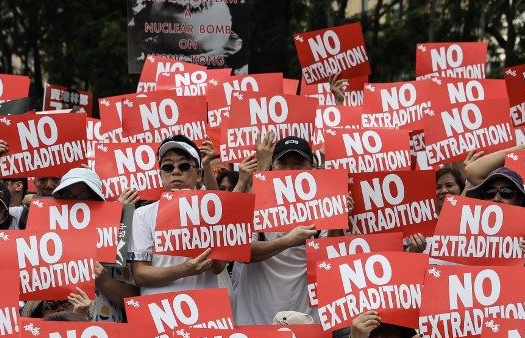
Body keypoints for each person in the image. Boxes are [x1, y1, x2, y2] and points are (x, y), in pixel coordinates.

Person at [231, 136, 326, 325]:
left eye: (298, 164)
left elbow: (330, 262)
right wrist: (288, 241)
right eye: (282, 163)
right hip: (255, 320)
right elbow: (240, 249)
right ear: (272, 166)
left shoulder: (324, 205)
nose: (290, 171)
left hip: (305, 321)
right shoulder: (257, 200)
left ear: (311, 168)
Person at [129, 134, 227, 295]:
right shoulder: (142, 215)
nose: (175, 171)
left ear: (199, 174)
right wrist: (184, 269)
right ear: (160, 174)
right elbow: (140, 274)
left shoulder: (209, 213)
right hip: (159, 311)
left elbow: (219, 266)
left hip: (205, 310)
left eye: (184, 166)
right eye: (168, 167)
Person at [52, 167, 139, 323]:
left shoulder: (118, 236)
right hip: (55, 333)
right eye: (67, 196)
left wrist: (104, 280)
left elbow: (132, 300)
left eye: (84, 195)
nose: (76, 202)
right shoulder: (43, 237)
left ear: (98, 201)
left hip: (104, 332)